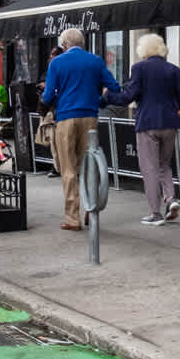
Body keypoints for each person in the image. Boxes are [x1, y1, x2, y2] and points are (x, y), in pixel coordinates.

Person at [106, 33, 180, 226]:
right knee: (164, 165)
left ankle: (155, 213)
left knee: (150, 169)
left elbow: (128, 97)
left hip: (147, 123)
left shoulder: (139, 68)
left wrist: (108, 96)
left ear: (143, 50)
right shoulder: (173, 70)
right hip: (170, 123)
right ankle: (170, 199)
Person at [40, 27, 122, 231]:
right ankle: (90, 209)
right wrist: (99, 99)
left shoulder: (57, 63)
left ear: (64, 44)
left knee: (68, 168)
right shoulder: (95, 61)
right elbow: (114, 87)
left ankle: (72, 218)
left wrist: (48, 102)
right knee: (89, 165)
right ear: (82, 43)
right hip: (90, 117)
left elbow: (48, 95)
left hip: (66, 118)